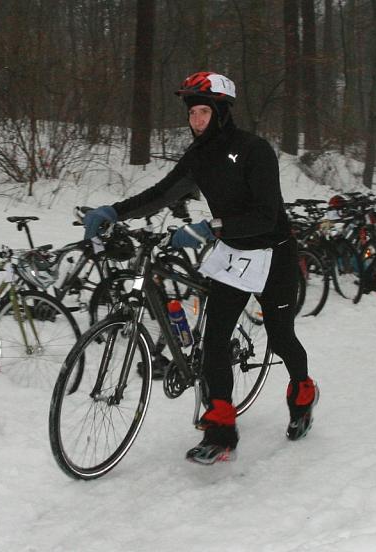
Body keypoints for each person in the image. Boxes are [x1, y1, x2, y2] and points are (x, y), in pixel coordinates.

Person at [83, 71, 318, 464]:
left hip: (273, 253)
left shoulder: (254, 150)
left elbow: (265, 215)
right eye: (192, 113)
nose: (196, 120)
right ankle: (220, 431)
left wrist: (211, 227)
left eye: (204, 112)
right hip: (234, 255)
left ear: (221, 112)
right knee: (214, 341)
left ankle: (304, 393)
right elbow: (161, 193)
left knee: (281, 338)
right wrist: (114, 211)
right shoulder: (198, 156)